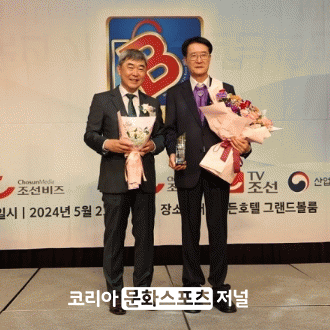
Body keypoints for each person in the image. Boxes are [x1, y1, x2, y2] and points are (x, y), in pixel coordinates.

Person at [164, 36, 251, 313]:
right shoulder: (175, 93)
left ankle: (219, 289)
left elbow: (238, 128)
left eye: (204, 54)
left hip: (219, 168)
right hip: (187, 169)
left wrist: (245, 147)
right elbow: (171, 130)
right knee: (189, 232)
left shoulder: (225, 90)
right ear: (185, 60)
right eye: (193, 55)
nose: (199, 59)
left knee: (218, 230)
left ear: (210, 58)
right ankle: (192, 289)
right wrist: (174, 153)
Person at [84, 49, 165, 315]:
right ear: (119, 70)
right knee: (114, 237)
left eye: (141, 68)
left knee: (145, 237)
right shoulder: (102, 100)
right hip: (114, 179)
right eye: (130, 67)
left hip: (144, 179)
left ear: (145, 72)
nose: (135, 73)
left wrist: (154, 145)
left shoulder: (152, 102)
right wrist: (108, 143)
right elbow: (90, 134)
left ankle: (142, 291)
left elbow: (162, 135)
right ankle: (116, 293)